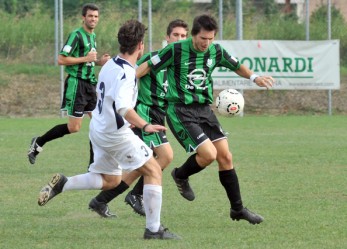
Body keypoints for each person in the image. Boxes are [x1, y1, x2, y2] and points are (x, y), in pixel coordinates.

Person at [37, 19, 180, 240]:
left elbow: (111, 100)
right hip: (115, 134)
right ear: (140, 45)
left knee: (110, 180)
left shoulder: (110, 64)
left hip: (99, 129)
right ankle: (154, 230)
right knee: (153, 170)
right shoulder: (127, 73)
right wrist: (144, 124)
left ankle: (64, 184)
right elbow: (123, 107)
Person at [137, 14, 275, 225]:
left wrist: (255, 78)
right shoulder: (175, 50)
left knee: (225, 157)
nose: (206, 43)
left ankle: (237, 209)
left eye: (211, 38)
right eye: (203, 38)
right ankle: (181, 175)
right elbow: (147, 66)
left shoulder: (215, 51)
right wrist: (124, 80)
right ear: (194, 35)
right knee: (208, 154)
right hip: (181, 110)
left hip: (204, 110)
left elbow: (236, 65)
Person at [88, 19, 189, 218]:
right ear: (167, 38)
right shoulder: (154, 58)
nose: (179, 39)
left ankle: (103, 200)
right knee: (164, 157)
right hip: (144, 113)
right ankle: (135, 196)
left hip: (159, 115)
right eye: (175, 35)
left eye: (183, 36)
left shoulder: (181, 65)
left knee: (144, 164)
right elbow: (131, 75)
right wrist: (132, 113)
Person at [28, 3, 110, 165]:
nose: (93, 19)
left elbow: (87, 62)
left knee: (98, 125)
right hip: (76, 85)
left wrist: (99, 62)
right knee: (74, 128)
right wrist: (86, 59)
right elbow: (61, 59)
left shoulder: (92, 36)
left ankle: (94, 164)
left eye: (96, 16)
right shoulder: (76, 35)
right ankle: (38, 142)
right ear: (83, 18)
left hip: (90, 85)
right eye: (90, 16)